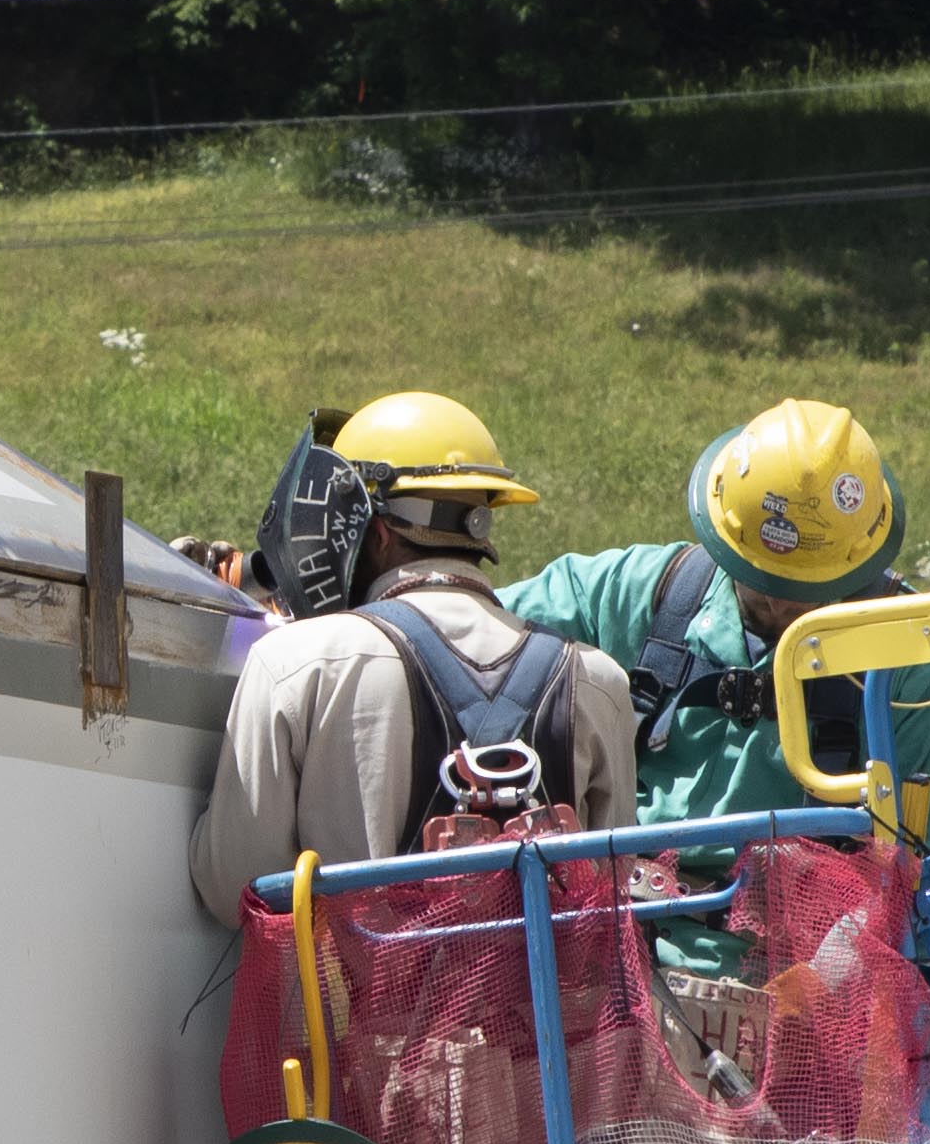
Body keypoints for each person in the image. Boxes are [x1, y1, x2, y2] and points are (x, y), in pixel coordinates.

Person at [187, 392, 637, 927]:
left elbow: (234, 887)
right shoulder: (597, 680)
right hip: (545, 1012)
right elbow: (614, 897)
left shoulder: (296, 663)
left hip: (350, 1009)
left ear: (371, 532)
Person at [502, 396, 917, 829]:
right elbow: (471, 621)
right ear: (725, 540)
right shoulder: (642, 589)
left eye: (806, 586)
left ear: (858, 561)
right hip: (633, 880)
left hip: (808, 891)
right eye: (757, 578)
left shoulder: (907, 651)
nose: (778, 603)